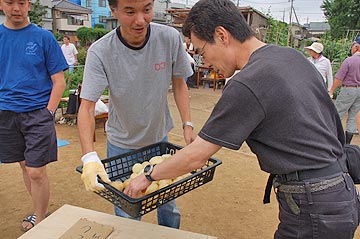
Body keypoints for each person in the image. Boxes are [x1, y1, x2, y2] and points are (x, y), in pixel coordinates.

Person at [124, 0, 360, 238]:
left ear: (221, 35)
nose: (204, 62)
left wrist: (148, 176)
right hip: (341, 192)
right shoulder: (291, 56)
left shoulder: (247, 83)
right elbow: (331, 122)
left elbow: (197, 156)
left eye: (202, 51)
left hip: (313, 205)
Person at [77, 0, 194, 229]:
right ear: (114, 11)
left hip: (160, 140)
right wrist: (89, 156)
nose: (140, 20)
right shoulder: (101, 52)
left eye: (147, 9)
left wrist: (187, 124)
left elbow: (180, 83)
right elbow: (87, 107)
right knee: (128, 212)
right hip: (122, 144)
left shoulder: (169, 38)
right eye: (130, 11)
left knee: (168, 204)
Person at [0, 0, 67, 231]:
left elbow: (59, 80)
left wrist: (48, 112)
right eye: (10, 2)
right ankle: (41, 211)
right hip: (6, 113)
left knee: (36, 170)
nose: (16, 8)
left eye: (21, 2)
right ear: (1, 4)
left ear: (28, 5)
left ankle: (39, 218)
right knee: (24, 166)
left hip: (38, 112)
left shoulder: (43, 37)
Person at [329, 36, 360, 144]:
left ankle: (332, 140)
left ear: (356, 47)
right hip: (359, 91)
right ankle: (347, 144)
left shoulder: (350, 60)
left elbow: (339, 78)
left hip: (348, 90)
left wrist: (331, 90)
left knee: (337, 114)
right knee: (352, 118)